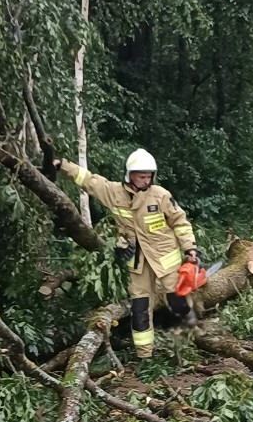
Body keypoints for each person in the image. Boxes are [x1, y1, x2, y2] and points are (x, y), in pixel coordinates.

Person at [59, 149, 198, 359]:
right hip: (136, 262)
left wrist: (190, 248)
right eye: (142, 176)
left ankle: (191, 339)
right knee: (140, 308)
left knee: (177, 300)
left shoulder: (160, 195)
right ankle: (145, 355)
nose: (146, 180)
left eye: (149, 176)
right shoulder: (114, 193)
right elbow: (89, 180)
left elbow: (180, 223)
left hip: (165, 260)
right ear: (130, 175)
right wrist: (62, 165)